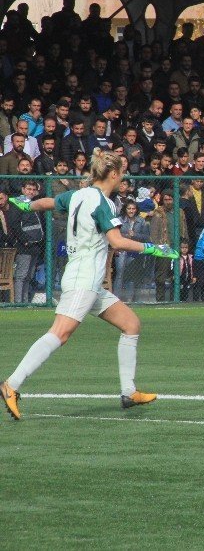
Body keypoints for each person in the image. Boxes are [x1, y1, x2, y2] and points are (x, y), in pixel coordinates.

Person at [1, 149, 178, 420]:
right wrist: (153, 248)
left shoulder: (78, 194)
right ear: (114, 174)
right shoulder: (103, 204)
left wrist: (28, 204)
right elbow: (117, 242)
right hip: (84, 278)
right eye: (122, 174)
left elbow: (49, 202)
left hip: (88, 279)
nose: (123, 179)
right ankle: (11, 384)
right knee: (60, 333)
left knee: (131, 325)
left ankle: (128, 392)